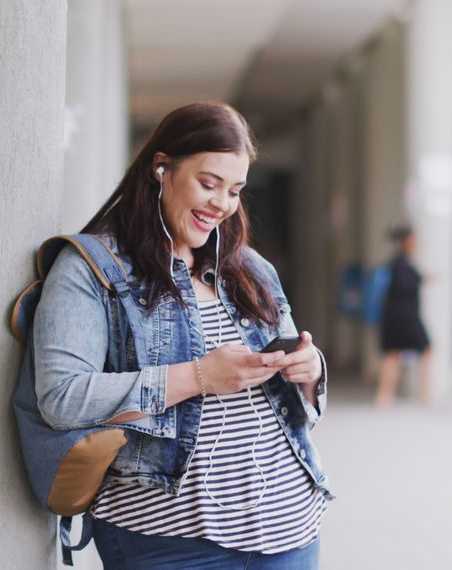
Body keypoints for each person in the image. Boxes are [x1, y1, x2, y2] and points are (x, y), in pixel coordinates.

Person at [34, 102, 330, 568]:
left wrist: (309, 371)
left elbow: (297, 391)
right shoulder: (92, 269)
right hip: (168, 542)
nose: (222, 204)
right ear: (161, 169)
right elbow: (61, 397)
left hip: (289, 529)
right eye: (209, 184)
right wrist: (199, 376)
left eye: (234, 191)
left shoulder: (249, 267)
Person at [374, 225, 432, 408]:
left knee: (393, 355)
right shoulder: (402, 263)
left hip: (393, 316)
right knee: (426, 351)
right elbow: (405, 287)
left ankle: (384, 397)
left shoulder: (395, 262)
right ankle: (424, 395)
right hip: (405, 316)